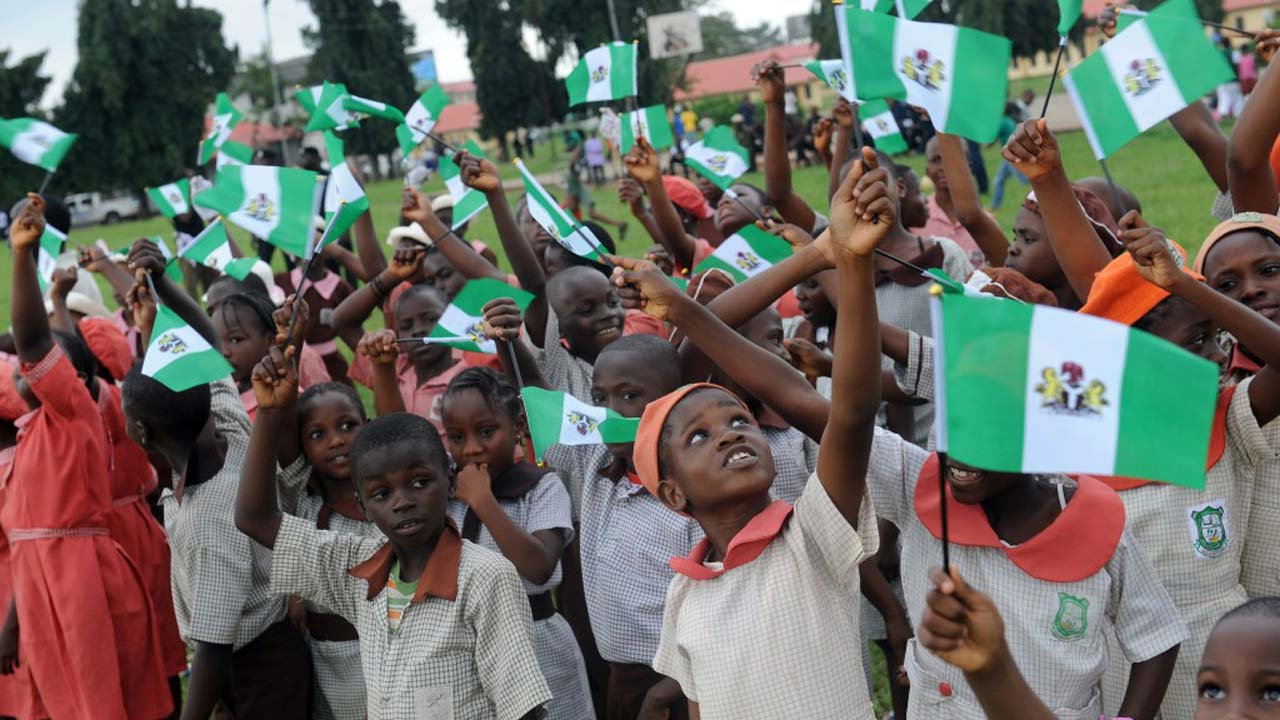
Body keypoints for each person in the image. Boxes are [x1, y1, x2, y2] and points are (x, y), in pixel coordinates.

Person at [607, 151, 894, 718]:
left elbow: (854, 413)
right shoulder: (684, 593)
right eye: (697, 438)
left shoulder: (812, 531)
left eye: (738, 420)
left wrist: (851, 266)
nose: (727, 435)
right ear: (671, 493)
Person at [236, 348, 552, 719]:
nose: (402, 502)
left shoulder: (485, 576)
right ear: (364, 505)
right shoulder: (358, 569)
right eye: (382, 494)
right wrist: (271, 413)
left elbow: (524, 707)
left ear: (449, 481)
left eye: (419, 482)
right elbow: (255, 519)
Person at [122, 239, 312, 720]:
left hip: (257, 668)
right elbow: (207, 341)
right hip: (250, 658)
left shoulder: (211, 522)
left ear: (141, 432)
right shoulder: (225, 424)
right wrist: (163, 281)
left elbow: (212, 646)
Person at [2, 194, 173, 719]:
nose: (17, 371)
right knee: (63, 700)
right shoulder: (31, 431)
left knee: (101, 699)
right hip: (40, 586)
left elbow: (33, 342)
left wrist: (23, 258)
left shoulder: (75, 417)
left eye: (32, 368)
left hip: (82, 582)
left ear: (70, 380)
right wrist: (14, 622)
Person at [441, 367, 596, 720]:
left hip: (537, 641)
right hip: (469, 643)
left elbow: (539, 567)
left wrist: (483, 502)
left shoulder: (541, 487)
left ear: (519, 427)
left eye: (486, 432)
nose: (472, 449)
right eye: (456, 437)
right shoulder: (447, 492)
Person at [271, 376, 377, 720]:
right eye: (318, 435)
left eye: (348, 426)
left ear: (368, 426)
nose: (336, 441)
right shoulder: (304, 502)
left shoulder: (386, 502)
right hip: (328, 658)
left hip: (383, 655)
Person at [990, 102, 1030, 211]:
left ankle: (1044, 186)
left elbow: (993, 138)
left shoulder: (1003, 122)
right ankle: (995, 205)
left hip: (1011, 154)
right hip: (1011, 153)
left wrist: (988, 144)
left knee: (1025, 179)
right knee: (999, 180)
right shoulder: (1009, 120)